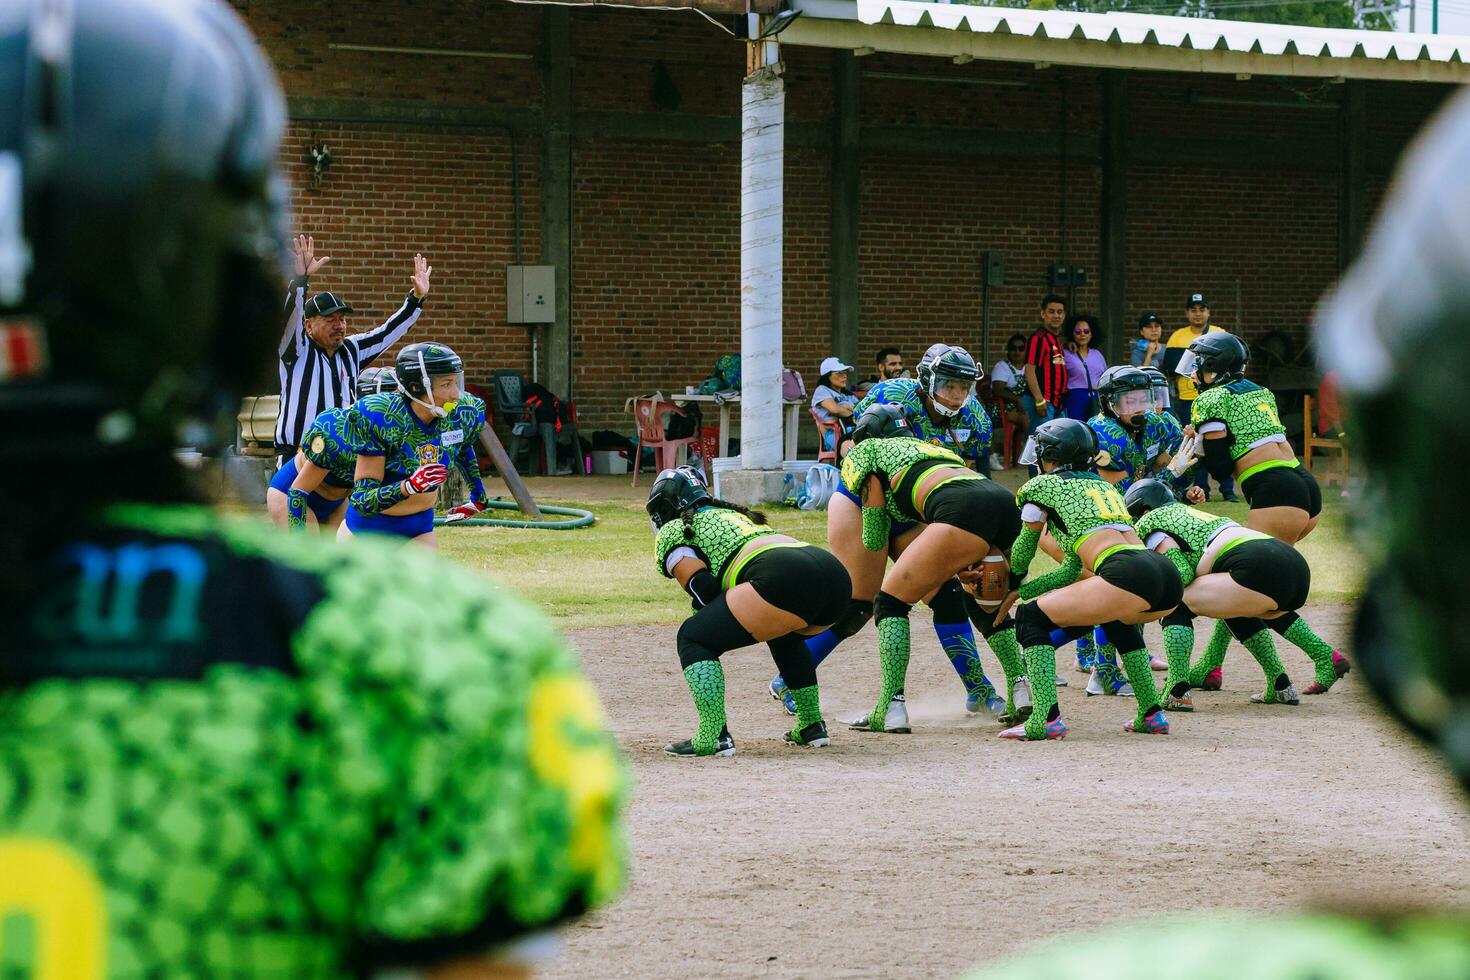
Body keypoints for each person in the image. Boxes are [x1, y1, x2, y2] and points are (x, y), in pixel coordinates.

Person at [0, 2, 626, 976]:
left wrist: (412, 306)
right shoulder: (416, 651)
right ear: (242, 310)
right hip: (305, 465)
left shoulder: (380, 375)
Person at [968, 88, 1470, 980]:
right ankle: (1280, 669)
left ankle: (1142, 689)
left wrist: (1171, 484)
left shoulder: (1149, 454)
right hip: (1288, 493)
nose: (1183, 368)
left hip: (1261, 501)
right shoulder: (1223, 409)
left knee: (1196, 593)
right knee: (1238, 591)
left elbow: (1194, 469)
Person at [1171, 332, 1349, 694]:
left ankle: (1322, 655)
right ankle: (1211, 666)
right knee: (1243, 583)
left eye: (1198, 366)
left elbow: (1220, 469)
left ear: (1214, 369)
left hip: (1274, 491)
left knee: (1250, 580)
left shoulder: (1211, 399)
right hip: (1302, 485)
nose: (1192, 374)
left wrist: (1197, 443)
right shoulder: (1257, 390)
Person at [838, 407, 1023, 733]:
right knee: (984, 600)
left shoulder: (867, 452)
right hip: (1002, 502)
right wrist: (954, 563)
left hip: (958, 509)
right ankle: (1021, 689)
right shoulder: (932, 447)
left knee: (891, 602)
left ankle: (890, 707)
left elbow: (874, 537)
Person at [999, 419, 1181, 740]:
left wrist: (1009, 585)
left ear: (1050, 457)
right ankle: (1152, 714)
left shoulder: (1041, 487)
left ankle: (1045, 719)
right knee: (1115, 620)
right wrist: (1025, 590)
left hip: (1125, 571)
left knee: (1030, 619)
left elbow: (1024, 552)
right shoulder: (1104, 487)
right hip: (1163, 573)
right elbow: (1071, 569)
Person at [649, 467, 850, 755]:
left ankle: (714, 736)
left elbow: (702, 589)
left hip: (783, 577)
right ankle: (810, 725)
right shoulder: (734, 515)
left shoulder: (674, 529)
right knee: (782, 631)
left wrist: (706, 622)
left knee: (694, 637)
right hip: (833, 577)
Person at [1126, 478, 1321, 711]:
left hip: (1256, 566)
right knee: (1236, 611)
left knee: (1174, 600)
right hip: (1293, 566)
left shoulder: (1151, 521)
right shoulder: (1191, 514)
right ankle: (1280, 684)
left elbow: (1181, 572)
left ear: (1144, 509)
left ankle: (1177, 689)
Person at [275, 241, 432, 459]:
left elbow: (388, 332)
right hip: (298, 454)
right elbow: (290, 319)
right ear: (309, 325)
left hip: (342, 454)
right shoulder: (297, 349)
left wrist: (415, 299)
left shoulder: (351, 349)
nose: (339, 325)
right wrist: (300, 281)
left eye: (342, 319)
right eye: (330, 320)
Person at [341, 342, 467, 547]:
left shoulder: (454, 416)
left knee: (423, 578)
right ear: (416, 387)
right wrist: (408, 486)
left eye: (455, 383)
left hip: (419, 528)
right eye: (446, 384)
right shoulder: (381, 418)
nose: (455, 394)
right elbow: (363, 500)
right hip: (369, 532)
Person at [1165, 294, 1237, 501]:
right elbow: (1172, 367)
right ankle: (1202, 487)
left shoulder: (1219, 333)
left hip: (1218, 397)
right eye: (1193, 309)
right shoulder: (1177, 337)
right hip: (1189, 398)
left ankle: (1228, 490)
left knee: (1222, 441)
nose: (1198, 314)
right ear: (1187, 313)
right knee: (1196, 444)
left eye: (1201, 309)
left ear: (1208, 312)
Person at [1023, 294, 1069, 432]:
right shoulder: (1039, 338)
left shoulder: (1056, 339)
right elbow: (1029, 370)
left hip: (1057, 403)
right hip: (1043, 402)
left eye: (1060, 312)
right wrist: (1039, 399)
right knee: (1038, 445)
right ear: (1043, 314)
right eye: (1051, 311)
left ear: (1064, 315)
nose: (1056, 315)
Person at [990, 333, 1031, 466]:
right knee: (1027, 419)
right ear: (1008, 350)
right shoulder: (1002, 367)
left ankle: (1028, 449)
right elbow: (998, 389)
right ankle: (1031, 452)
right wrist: (1017, 400)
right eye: (1013, 348)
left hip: (1024, 407)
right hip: (1003, 409)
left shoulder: (1029, 368)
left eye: (1021, 348)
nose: (1017, 352)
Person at [1061, 313, 1107, 421]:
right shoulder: (1066, 353)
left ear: (1092, 334)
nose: (1082, 334)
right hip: (1075, 398)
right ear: (1072, 333)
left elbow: (1105, 377)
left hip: (1096, 398)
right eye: (1078, 332)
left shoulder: (1097, 354)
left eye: (1086, 331)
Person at [810, 355, 859, 454]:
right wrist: (850, 410)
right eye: (839, 373)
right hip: (834, 435)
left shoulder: (848, 395)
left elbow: (863, 410)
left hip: (853, 431)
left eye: (845, 372)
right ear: (827, 376)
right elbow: (835, 409)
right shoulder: (822, 390)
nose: (844, 376)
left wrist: (846, 409)